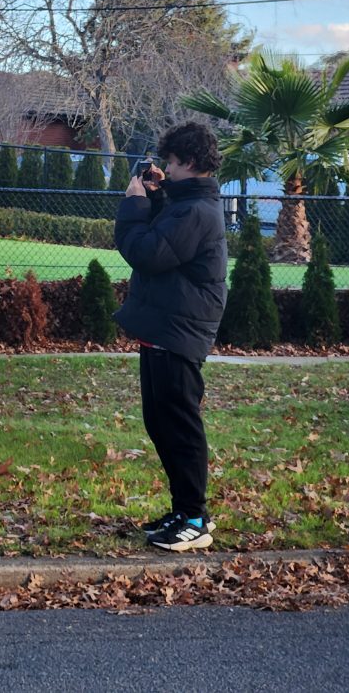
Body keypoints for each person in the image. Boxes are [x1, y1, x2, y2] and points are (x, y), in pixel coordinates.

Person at [113, 121, 227, 552]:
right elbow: (166, 233)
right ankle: (183, 510)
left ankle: (195, 519)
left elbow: (148, 252)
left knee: (180, 426)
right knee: (160, 422)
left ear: (191, 163)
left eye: (173, 163)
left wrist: (133, 206)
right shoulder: (186, 204)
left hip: (179, 331)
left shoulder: (197, 212)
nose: (167, 168)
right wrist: (158, 194)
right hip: (164, 326)